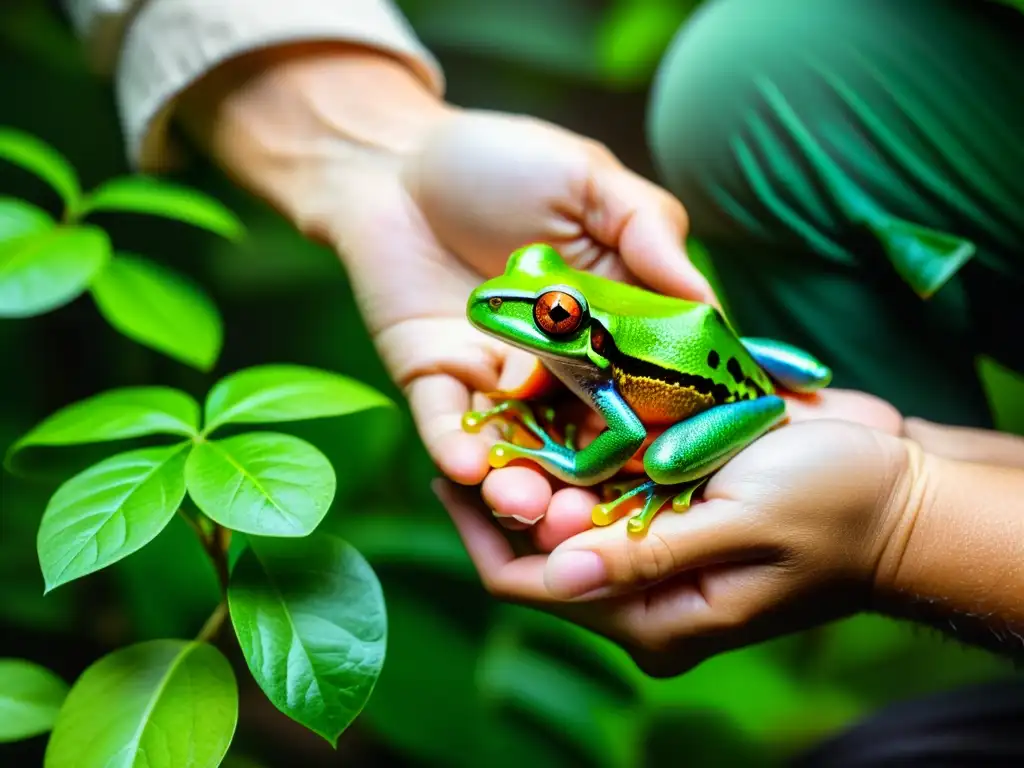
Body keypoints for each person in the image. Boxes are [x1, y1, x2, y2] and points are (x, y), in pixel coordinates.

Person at [64, 0, 1024, 762]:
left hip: (706, 399)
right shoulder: (554, 319)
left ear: (577, 332)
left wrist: (909, 521)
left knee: (647, 462)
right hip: (687, 355)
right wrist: (381, 159)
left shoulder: (600, 376)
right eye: (525, 285)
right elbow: (546, 310)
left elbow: (613, 424)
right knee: (751, 70)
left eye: (549, 317)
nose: (511, 303)